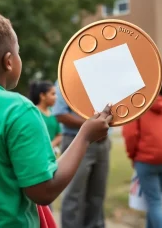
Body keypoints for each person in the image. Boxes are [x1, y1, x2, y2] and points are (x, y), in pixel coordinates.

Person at [0, 10, 113, 227]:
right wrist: (85, 136)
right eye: (18, 52)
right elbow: (43, 191)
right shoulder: (17, 109)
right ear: (9, 62)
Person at [122, 77, 162, 228]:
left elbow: (130, 135)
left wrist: (132, 156)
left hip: (146, 161)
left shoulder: (138, 106)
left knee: (154, 203)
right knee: (154, 202)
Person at [52, 84, 111, 228]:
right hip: (75, 140)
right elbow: (60, 114)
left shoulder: (104, 80)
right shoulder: (66, 80)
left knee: (97, 194)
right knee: (74, 195)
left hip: (102, 143)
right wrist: (91, 127)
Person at [29, 80, 62, 149]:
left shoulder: (54, 113)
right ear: (42, 96)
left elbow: (59, 134)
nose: (56, 97)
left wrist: (50, 145)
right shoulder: (33, 113)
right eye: (53, 94)